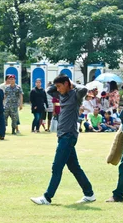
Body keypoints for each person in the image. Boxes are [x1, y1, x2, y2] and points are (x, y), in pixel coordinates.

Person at [31, 75, 95, 205]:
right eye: (57, 87)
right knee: (74, 168)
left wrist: (72, 84)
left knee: (57, 167)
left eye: (60, 86)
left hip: (68, 136)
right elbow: (49, 90)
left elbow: (84, 89)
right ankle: (89, 194)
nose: (58, 89)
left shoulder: (75, 95)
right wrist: (59, 85)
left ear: (67, 84)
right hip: (62, 136)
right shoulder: (62, 95)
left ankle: (47, 197)